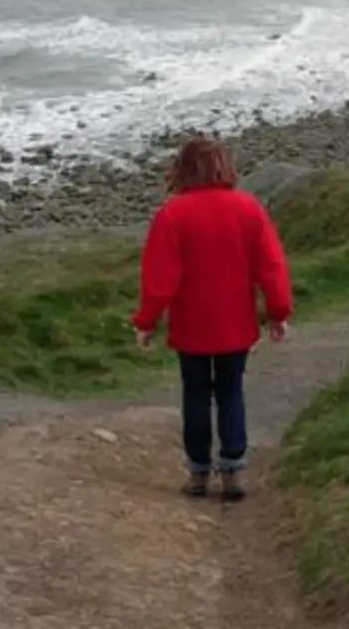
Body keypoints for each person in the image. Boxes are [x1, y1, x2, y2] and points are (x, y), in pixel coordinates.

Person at [130, 136, 293, 501]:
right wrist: (278, 312)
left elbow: (159, 281)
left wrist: (146, 321)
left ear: (182, 170)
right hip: (236, 322)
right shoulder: (248, 209)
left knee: (197, 394)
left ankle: (199, 472)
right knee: (231, 391)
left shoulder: (172, 214)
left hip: (191, 326)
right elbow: (271, 267)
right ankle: (232, 469)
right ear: (225, 166)